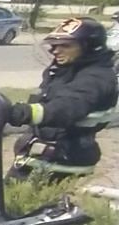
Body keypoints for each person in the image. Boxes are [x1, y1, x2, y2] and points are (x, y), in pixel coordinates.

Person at [6, 17, 117, 179]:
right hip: (45, 152)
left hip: (63, 158)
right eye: (55, 45)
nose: (56, 51)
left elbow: (67, 107)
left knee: (16, 202)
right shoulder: (64, 70)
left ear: (90, 48)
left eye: (65, 45)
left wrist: (24, 113)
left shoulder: (96, 77)